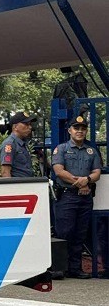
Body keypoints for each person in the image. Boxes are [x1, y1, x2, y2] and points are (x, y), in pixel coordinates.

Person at [52, 115, 102, 279]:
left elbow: (96, 173)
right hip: (67, 196)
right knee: (64, 232)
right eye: (76, 128)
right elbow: (59, 171)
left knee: (80, 234)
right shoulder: (61, 149)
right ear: (69, 130)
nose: (79, 131)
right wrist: (81, 183)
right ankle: (60, 268)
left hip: (85, 198)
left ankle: (75, 269)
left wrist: (87, 180)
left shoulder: (91, 151)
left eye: (83, 128)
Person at [0, 111, 37, 177]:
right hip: (17, 183)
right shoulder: (9, 144)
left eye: (30, 124)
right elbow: (5, 172)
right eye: (26, 124)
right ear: (15, 127)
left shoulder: (22, 143)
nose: (30, 127)